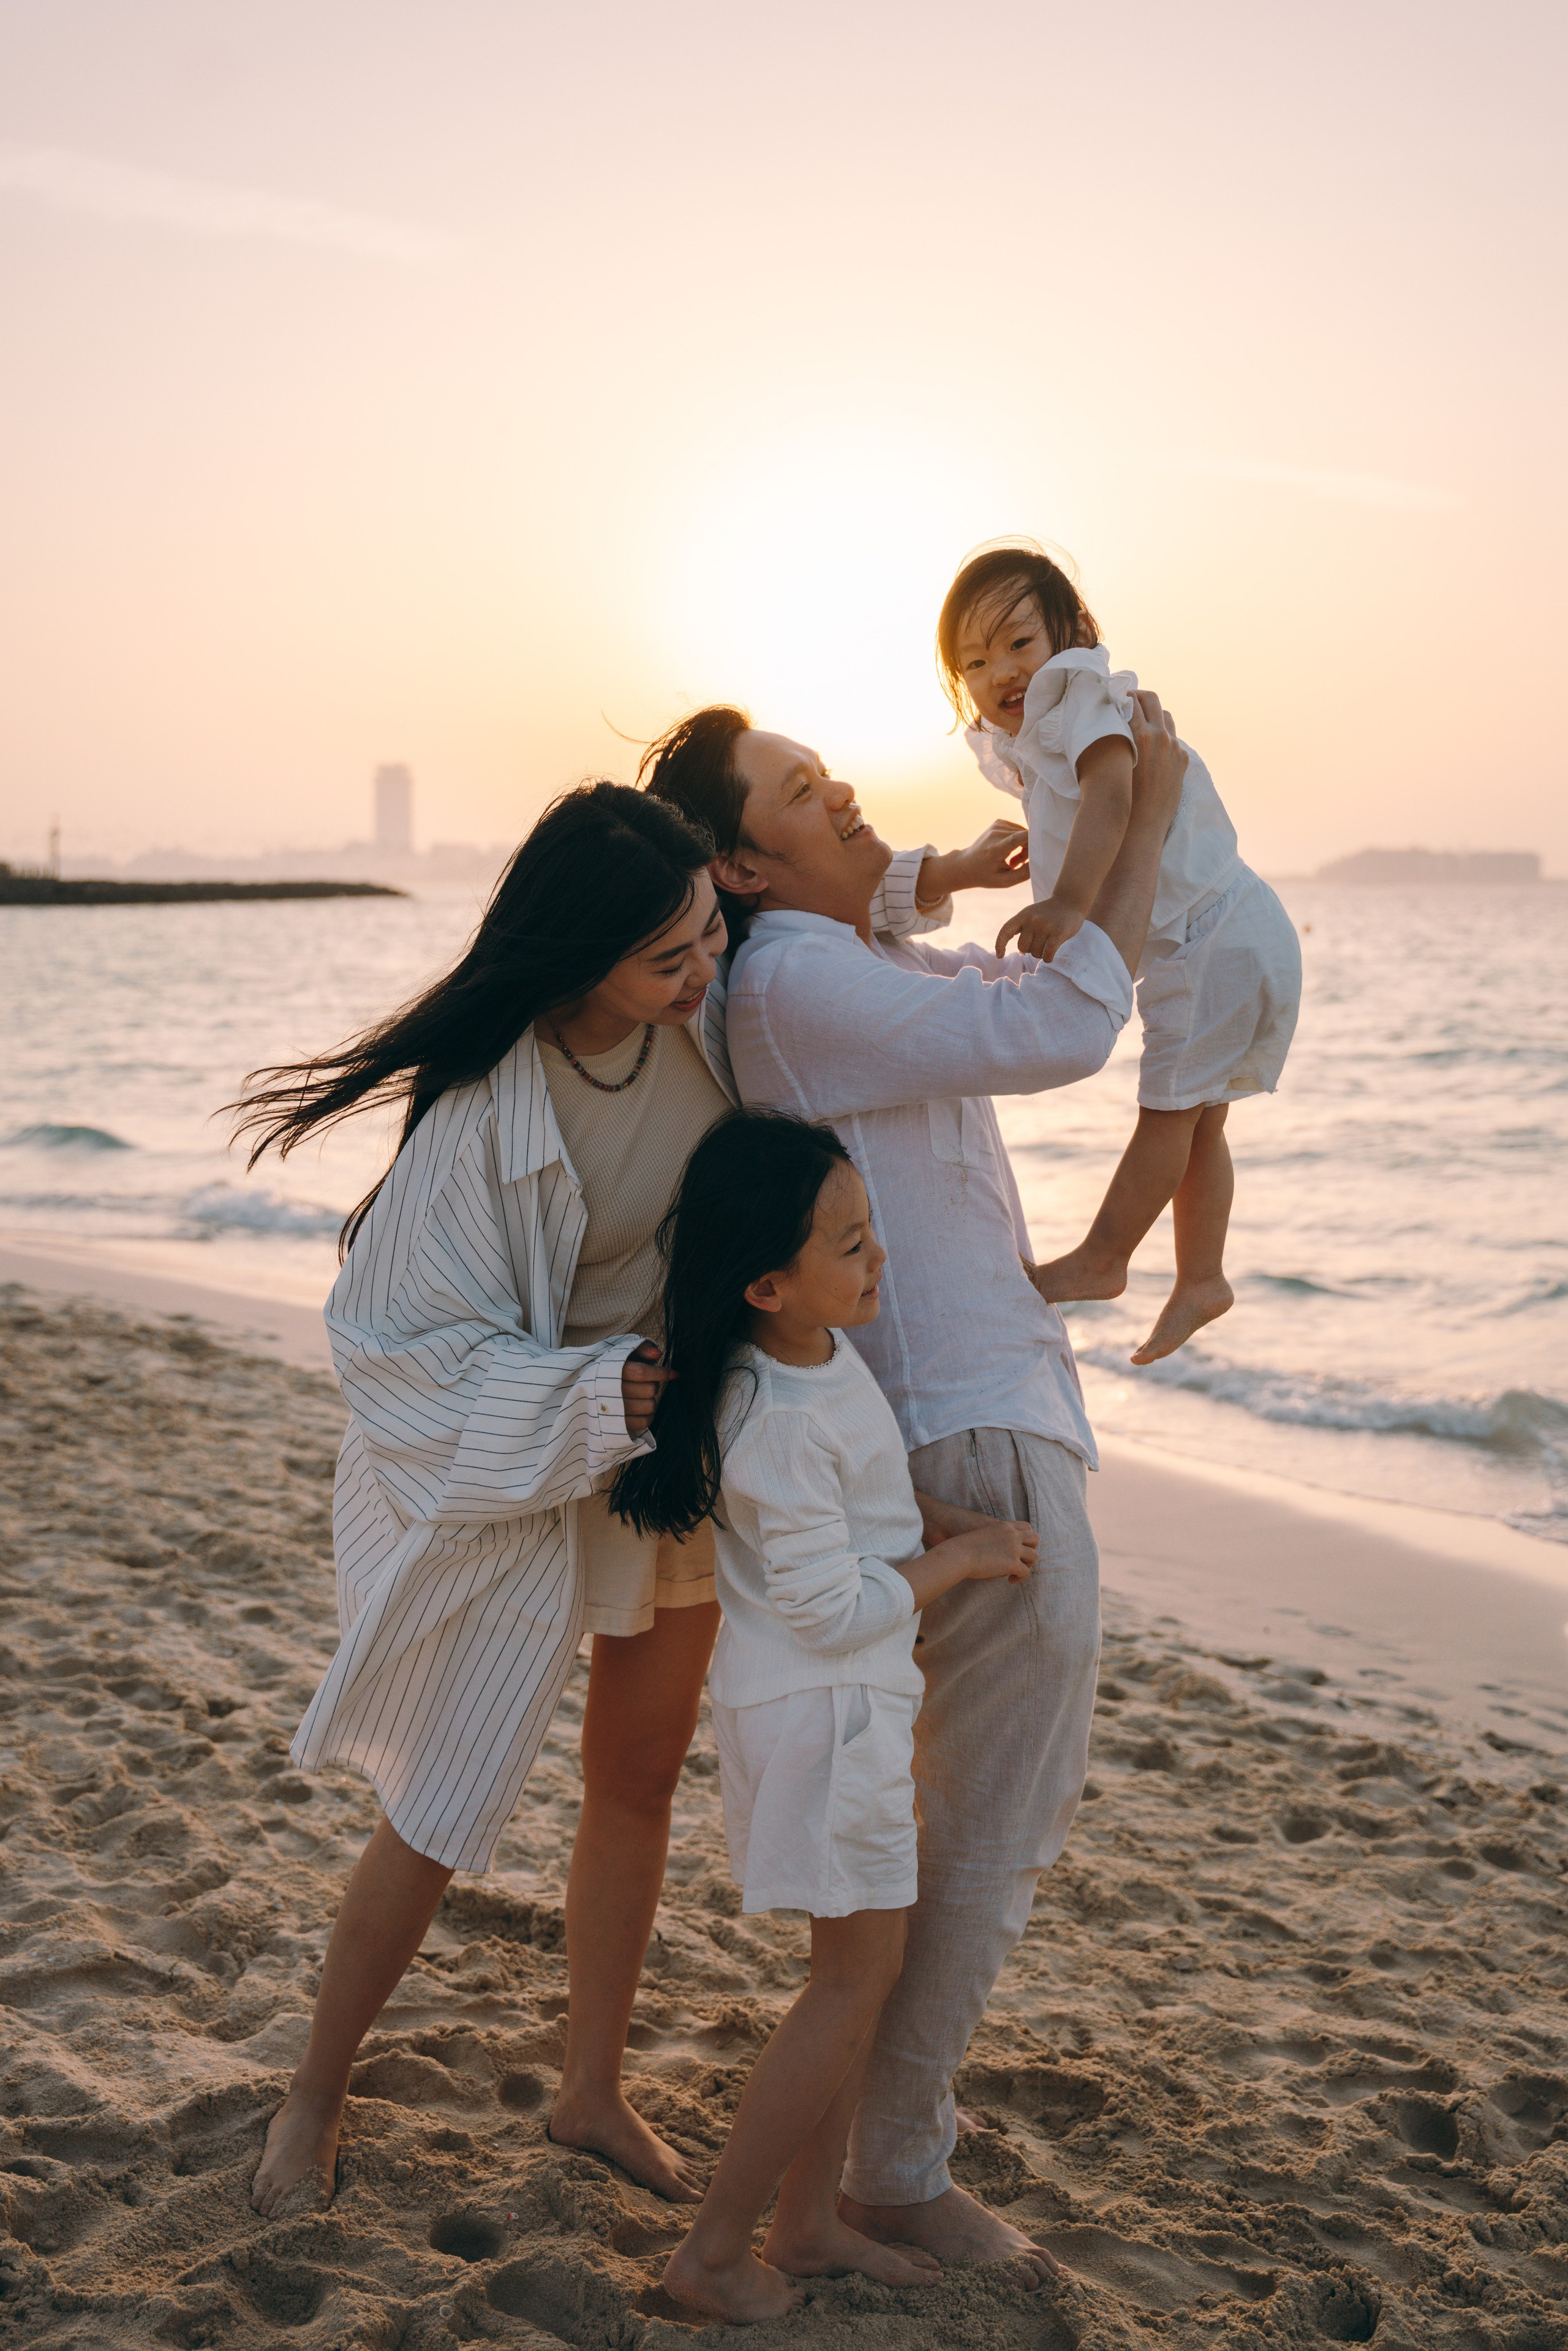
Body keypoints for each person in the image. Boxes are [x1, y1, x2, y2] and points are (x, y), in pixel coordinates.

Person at [229, 780, 1025, 2218]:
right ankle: (312, 2090)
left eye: (708, 936)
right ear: (581, 953)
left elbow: (830, 905)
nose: (704, 970)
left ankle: (589, 2087)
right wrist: (588, 1395)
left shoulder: (712, 1015)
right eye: (669, 956)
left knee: (637, 1779)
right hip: (541, 1460)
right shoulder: (485, 1099)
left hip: (668, 1462)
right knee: (437, 1788)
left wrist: (948, 868)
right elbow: (390, 1340)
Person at [643, 693, 1184, 2284]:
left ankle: (865, 2165)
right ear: (745, 861)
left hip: (960, 1417)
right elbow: (1068, 1021)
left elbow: (988, 952)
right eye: (808, 791)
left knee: (961, 1819)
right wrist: (1138, 807)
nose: (848, 791)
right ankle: (893, 2164)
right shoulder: (804, 977)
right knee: (985, 1826)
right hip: (969, 1431)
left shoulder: (827, 957)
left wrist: (995, 856)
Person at [611, 1109, 1037, 2322]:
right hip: (824, 1713)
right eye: (848, 1244)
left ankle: (804, 2222)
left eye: (869, 1229)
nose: (876, 1258)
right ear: (766, 1282)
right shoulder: (775, 1418)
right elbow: (819, 1602)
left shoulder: (798, 1358)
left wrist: (937, 1521)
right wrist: (955, 1567)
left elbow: (865, 1488)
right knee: (852, 1982)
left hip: (834, 1708)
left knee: (864, 1969)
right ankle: (710, 2249)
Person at [939, 540, 1303, 1364]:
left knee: (1170, 1111)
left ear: (1069, 633)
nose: (1001, 669)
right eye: (976, 659)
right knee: (1199, 1123)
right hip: (1233, 931)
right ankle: (1202, 1276)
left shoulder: (1078, 697)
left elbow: (1112, 789)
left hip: (1214, 936)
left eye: (1019, 643)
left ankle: (1106, 1258)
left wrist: (1069, 900)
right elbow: (1080, 806)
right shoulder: (1046, 728)